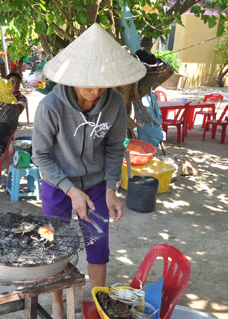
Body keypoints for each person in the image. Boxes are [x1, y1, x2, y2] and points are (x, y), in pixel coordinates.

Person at [31, 23, 146, 319]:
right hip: (58, 182)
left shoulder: (116, 103)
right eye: (87, 85)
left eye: (101, 85)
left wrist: (110, 189)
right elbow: (41, 156)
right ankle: (57, 305)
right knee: (54, 246)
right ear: (71, 80)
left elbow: (113, 149)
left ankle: (97, 308)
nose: (95, 93)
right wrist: (70, 190)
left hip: (96, 183)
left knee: (98, 244)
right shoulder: (50, 106)